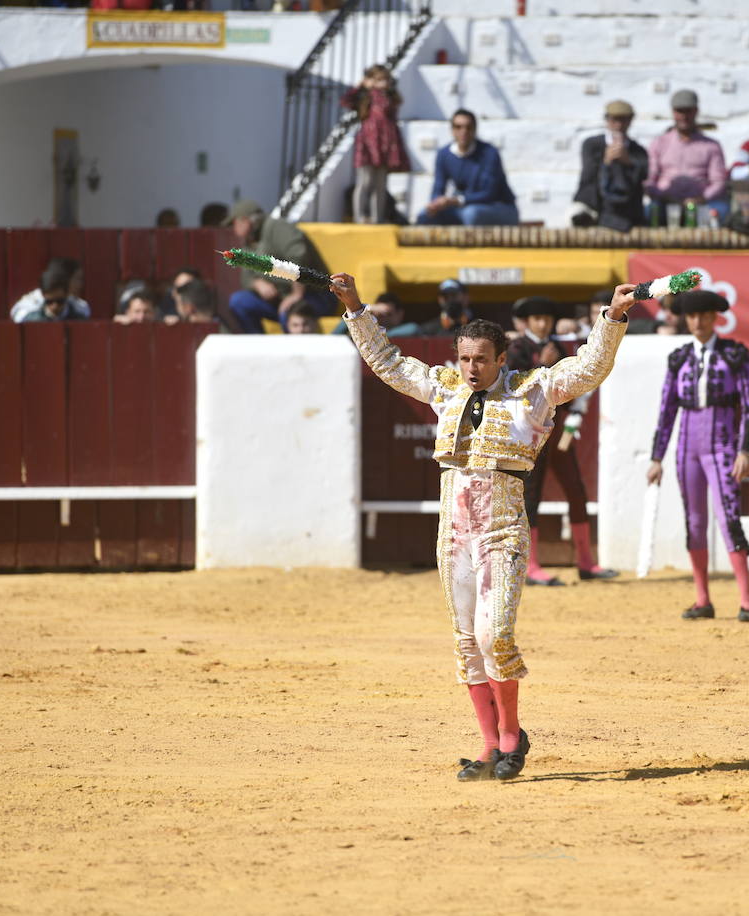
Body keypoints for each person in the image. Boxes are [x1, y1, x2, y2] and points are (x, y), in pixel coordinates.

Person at [333, 270, 633, 783]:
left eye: (480, 360)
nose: (470, 368)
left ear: (500, 360)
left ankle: (513, 736)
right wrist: (356, 306)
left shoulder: (532, 391)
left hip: (502, 528)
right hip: (453, 530)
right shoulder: (445, 388)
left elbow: (587, 369)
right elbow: (386, 361)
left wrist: (613, 318)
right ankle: (490, 746)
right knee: (466, 640)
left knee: (495, 634)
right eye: (464, 358)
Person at [646, 290, 749, 623]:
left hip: (723, 445)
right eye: (692, 316)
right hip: (687, 449)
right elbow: (666, 410)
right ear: (686, 319)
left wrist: (746, 449)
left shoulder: (735, 355)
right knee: (694, 522)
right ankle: (702, 600)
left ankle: (747, 601)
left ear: (715, 318)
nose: (698, 321)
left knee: (729, 518)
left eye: (704, 315)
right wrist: (657, 457)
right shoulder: (679, 357)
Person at [506, 296, 618, 587]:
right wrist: (541, 367)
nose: (543, 324)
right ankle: (530, 566)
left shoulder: (560, 348)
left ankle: (585, 563)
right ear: (527, 322)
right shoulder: (517, 349)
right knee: (531, 495)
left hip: (556, 431)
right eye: (537, 319)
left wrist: (575, 414)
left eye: (546, 318)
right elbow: (514, 387)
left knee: (576, 491)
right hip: (530, 432)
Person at [225, 199, 337, 331]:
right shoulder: (249, 242)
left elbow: (298, 255)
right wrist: (257, 283)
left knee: (290, 315)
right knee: (239, 301)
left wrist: (296, 294)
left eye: (234, 224)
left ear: (245, 221)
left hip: (315, 295)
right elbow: (246, 277)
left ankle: (294, 352)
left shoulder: (276, 227)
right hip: (281, 299)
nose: (233, 229)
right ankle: (258, 349)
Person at [417, 109, 519, 226]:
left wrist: (455, 201)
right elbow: (437, 189)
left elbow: (490, 193)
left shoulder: (489, 153)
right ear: (452, 130)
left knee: (471, 214)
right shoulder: (444, 154)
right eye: (458, 127)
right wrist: (436, 204)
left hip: (499, 208)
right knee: (425, 215)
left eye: (468, 127)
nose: (463, 131)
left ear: (475, 129)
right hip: (463, 207)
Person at [646, 89, 730, 226]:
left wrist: (701, 198)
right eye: (680, 111)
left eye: (688, 111)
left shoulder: (711, 146)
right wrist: (663, 195)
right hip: (666, 201)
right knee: (649, 211)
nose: (684, 116)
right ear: (673, 112)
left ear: (696, 111)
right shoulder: (659, 143)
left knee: (722, 211)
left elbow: (719, 181)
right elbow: (649, 178)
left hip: (700, 203)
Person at [342, 64, 409, 225]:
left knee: (380, 184)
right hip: (368, 143)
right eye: (379, 79)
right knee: (365, 181)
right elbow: (346, 100)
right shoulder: (366, 97)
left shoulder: (391, 97)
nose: (383, 83)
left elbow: (396, 105)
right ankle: (359, 217)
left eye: (385, 79)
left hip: (385, 144)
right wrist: (361, 86)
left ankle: (377, 218)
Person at [571, 99, 650, 232]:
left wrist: (628, 162)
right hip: (595, 210)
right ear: (607, 120)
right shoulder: (592, 145)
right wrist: (606, 161)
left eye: (623, 120)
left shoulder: (638, 150)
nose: (618, 125)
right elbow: (588, 177)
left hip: (626, 213)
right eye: (614, 120)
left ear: (630, 121)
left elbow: (644, 176)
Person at [10, 258, 90, 322]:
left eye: (60, 301)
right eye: (77, 279)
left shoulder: (79, 306)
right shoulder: (33, 303)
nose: (54, 306)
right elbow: (19, 316)